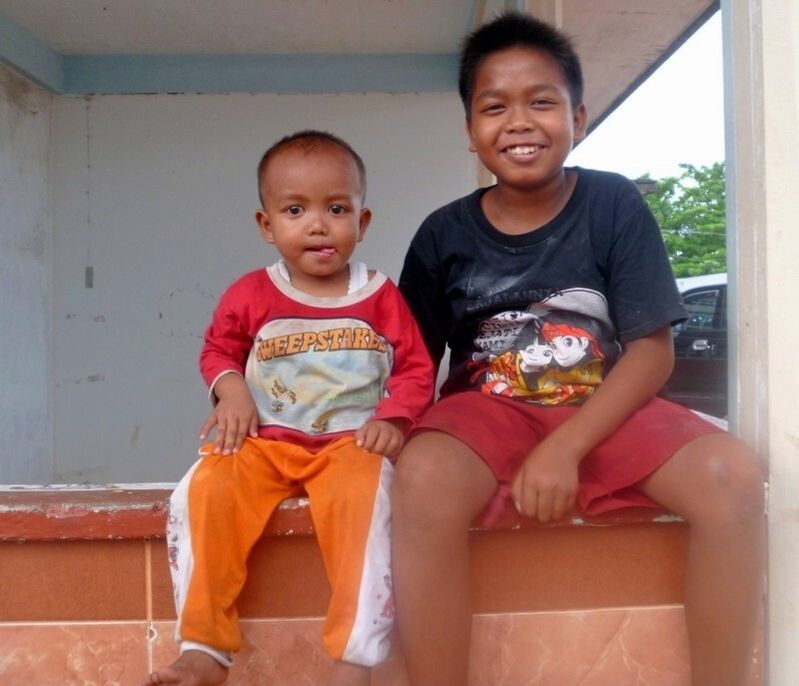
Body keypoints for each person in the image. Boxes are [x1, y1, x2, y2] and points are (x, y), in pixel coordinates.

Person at [391, 12, 765, 686]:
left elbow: (651, 352)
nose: (519, 122)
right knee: (421, 479)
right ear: (470, 131)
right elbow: (410, 362)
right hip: (485, 412)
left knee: (730, 474)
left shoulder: (612, 203)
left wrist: (564, 446)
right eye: (494, 107)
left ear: (578, 118)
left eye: (541, 102)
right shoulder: (442, 234)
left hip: (605, 407)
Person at [143, 130, 434, 686]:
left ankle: (356, 655)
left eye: (337, 209)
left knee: (371, 502)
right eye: (295, 210)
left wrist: (393, 418)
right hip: (265, 445)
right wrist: (232, 391)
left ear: (362, 222)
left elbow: (416, 369)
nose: (318, 225)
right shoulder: (251, 293)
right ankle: (204, 647)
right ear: (267, 225)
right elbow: (218, 350)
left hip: (350, 446)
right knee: (202, 490)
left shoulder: (379, 295)